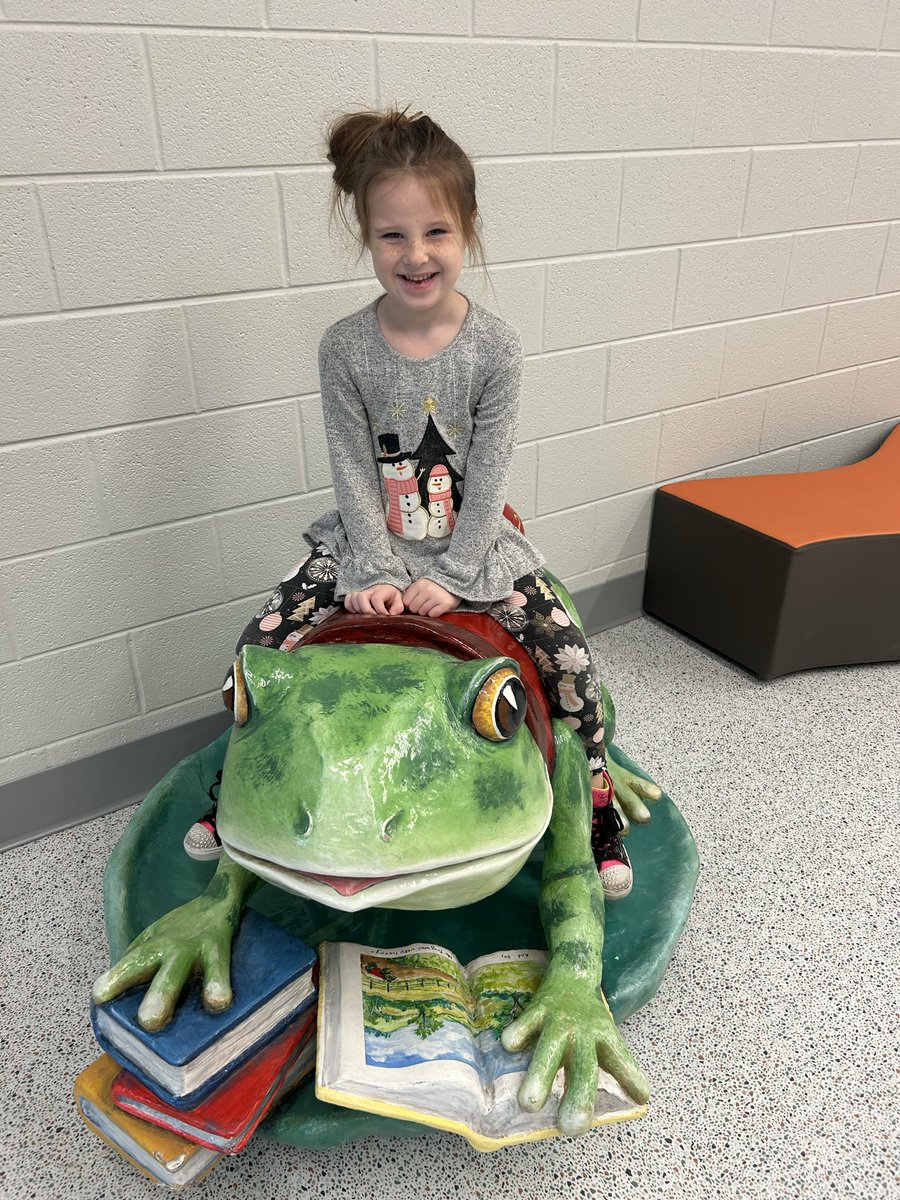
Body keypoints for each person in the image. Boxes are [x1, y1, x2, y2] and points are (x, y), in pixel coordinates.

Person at [184, 107, 632, 899]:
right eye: (393, 235)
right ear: (366, 237)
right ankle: (236, 799)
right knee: (254, 648)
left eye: (436, 233)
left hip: (474, 547)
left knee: (575, 669)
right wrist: (371, 567)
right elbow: (352, 468)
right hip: (366, 542)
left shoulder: (494, 347)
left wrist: (459, 574)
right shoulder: (344, 348)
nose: (416, 255)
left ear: (467, 232)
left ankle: (596, 806)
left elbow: (490, 473)